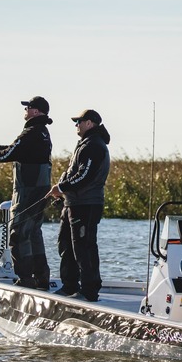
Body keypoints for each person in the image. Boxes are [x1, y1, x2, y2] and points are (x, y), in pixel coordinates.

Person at [0, 96, 53, 289]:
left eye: (28, 107)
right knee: (33, 234)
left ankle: (26, 280)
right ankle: (41, 278)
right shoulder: (41, 132)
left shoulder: (31, 132)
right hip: (39, 191)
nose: (25, 110)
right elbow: (14, 149)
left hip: (29, 192)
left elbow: (8, 154)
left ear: (36, 111)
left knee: (18, 234)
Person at [46, 109, 110, 302]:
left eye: (79, 122)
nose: (77, 125)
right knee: (66, 245)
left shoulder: (94, 145)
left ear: (90, 123)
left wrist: (61, 187)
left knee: (84, 247)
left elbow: (84, 176)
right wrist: (62, 192)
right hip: (73, 204)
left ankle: (89, 290)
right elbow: (73, 172)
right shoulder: (84, 144)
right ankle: (69, 286)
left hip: (87, 205)